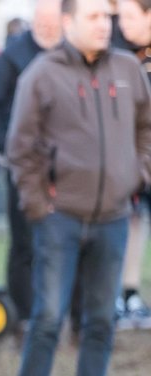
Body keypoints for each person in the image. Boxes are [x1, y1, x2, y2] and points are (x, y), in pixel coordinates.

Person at [0, 0, 151, 376]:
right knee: (48, 317)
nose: (105, 25)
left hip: (113, 217)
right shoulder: (42, 75)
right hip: (59, 219)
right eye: (94, 17)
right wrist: (38, 203)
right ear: (68, 23)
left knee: (100, 320)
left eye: (108, 17)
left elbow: (147, 127)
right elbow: (20, 146)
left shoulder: (127, 69)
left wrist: (138, 174)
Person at [0, 0, 64, 325]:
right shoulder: (14, 55)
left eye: (54, 23)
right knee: (24, 243)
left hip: (70, 167)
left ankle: (70, 316)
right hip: (26, 166)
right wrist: (5, 146)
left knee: (69, 242)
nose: (48, 30)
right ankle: (24, 317)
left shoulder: (74, 52)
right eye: (43, 23)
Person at [115, 0, 151, 328]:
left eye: (129, 16)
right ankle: (126, 292)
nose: (121, 23)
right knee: (132, 223)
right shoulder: (118, 53)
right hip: (133, 161)